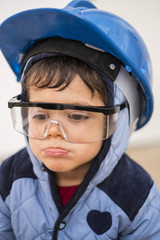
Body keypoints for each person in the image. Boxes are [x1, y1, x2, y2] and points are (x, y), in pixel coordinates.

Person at [0, 0, 160, 239]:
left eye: (76, 115)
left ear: (120, 120)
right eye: (41, 115)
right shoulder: (9, 177)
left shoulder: (138, 195)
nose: (53, 131)